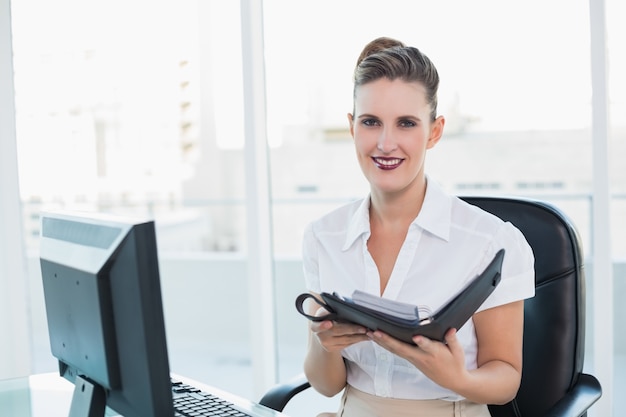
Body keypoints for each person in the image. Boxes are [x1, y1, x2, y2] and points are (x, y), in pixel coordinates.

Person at [301, 37, 535, 417]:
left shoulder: (492, 242)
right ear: (352, 127)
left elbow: (506, 381)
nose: (385, 143)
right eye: (371, 122)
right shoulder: (322, 238)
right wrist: (324, 345)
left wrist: (455, 376)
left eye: (406, 123)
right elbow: (326, 385)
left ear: (434, 131)